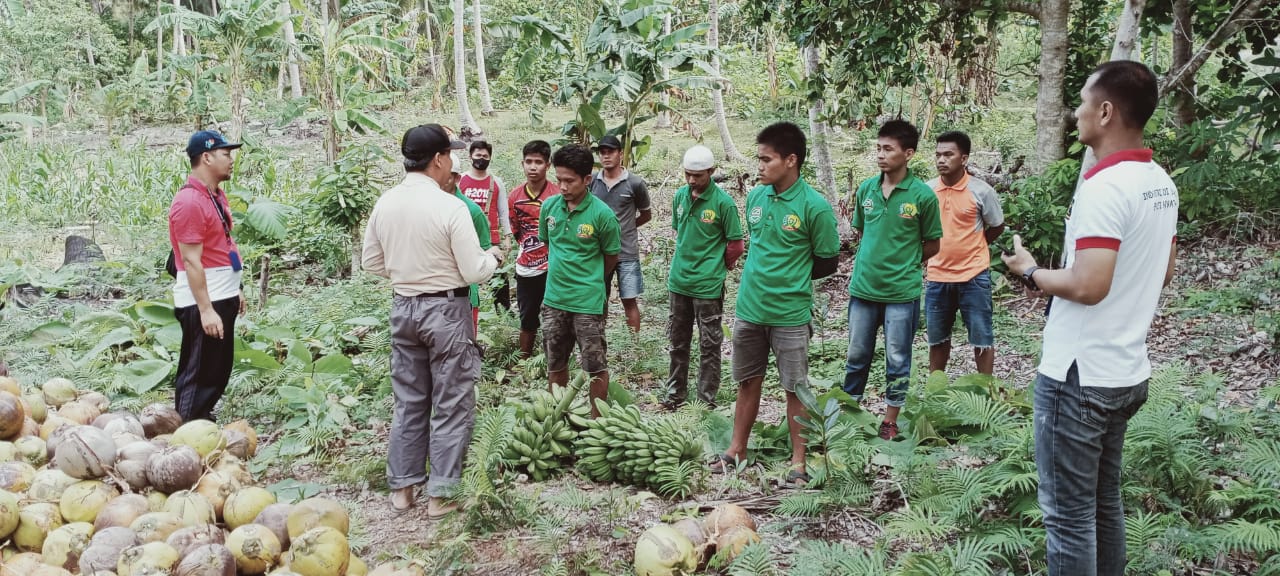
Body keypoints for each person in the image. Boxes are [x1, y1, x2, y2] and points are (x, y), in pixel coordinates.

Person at [1002, 60, 1177, 576]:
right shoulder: (1158, 182)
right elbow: (1162, 271)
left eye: (1081, 101)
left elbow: (1088, 285)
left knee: (1068, 517)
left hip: (1078, 377)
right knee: (1103, 503)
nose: (1074, 112)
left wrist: (1031, 272)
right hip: (1125, 370)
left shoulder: (1106, 187)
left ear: (1105, 111)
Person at [362, 123, 505, 517]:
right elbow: (474, 270)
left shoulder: (386, 202)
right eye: (450, 156)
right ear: (440, 159)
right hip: (445, 311)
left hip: (403, 307)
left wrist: (408, 272)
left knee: (409, 401)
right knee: (452, 400)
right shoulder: (450, 207)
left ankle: (403, 490)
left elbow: (371, 262)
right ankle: (440, 494)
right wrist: (493, 256)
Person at [710, 122, 840, 487]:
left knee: (794, 387)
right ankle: (736, 450)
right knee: (747, 381)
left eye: (767, 159)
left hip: (790, 313)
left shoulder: (814, 207)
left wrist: (790, 277)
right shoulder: (755, 197)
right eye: (759, 158)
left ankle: (798, 464)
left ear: (791, 160)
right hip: (750, 309)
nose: (760, 166)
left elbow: (827, 259)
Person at [843, 120, 943, 441]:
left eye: (888, 149)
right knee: (857, 354)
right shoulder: (866, 190)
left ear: (908, 153)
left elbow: (932, 244)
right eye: (878, 148)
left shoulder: (923, 196)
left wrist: (904, 264)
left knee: (897, 357)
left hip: (902, 293)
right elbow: (862, 232)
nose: (880, 155)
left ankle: (890, 419)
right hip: (863, 289)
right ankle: (850, 412)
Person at [170, 130, 246, 423]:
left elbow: (220, 246)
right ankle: (187, 429)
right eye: (226, 154)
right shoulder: (189, 202)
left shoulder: (213, 195)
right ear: (206, 157)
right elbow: (191, 261)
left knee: (216, 369)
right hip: (205, 299)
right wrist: (205, 310)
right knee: (199, 372)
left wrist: (234, 288)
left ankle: (202, 421)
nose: (231, 160)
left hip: (220, 293)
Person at [540, 144, 622, 417]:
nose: (562, 186)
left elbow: (611, 257)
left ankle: (596, 422)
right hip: (554, 299)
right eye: (559, 179)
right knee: (555, 361)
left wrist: (590, 279)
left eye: (569, 181)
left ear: (587, 180)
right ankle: (557, 417)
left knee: (594, 364)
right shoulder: (550, 208)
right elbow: (548, 244)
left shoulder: (602, 215)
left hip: (587, 302)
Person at [662, 145, 744, 410]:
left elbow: (736, 244)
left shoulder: (723, 203)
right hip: (679, 282)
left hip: (707, 286)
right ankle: (675, 395)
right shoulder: (680, 197)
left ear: (711, 171)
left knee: (709, 345)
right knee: (678, 342)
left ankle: (705, 400)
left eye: (697, 175)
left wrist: (720, 267)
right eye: (687, 174)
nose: (691, 180)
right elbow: (680, 233)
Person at [926, 131, 1005, 375]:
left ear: (964, 158)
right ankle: (935, 393)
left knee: (982, 339)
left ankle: (984, 395)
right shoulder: (926, 191)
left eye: (948, 154)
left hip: (974, 276)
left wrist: (976, 245)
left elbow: (997, 225)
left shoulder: (981, 191)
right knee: (937, 340)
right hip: (937, 276)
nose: (941, 160)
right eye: (938, 154)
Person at [590, 135, 651, 333]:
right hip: (599, 252)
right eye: (602, 153)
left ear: (620, 154)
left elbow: (646, 214)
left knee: (629, 299)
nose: (606, 156)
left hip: (626, 252)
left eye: (610, 152)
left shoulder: (634, 183)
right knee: (599, 298)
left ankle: (633, 345)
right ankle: (600, 340)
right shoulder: (592, 182)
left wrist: (626, 228)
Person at [509, 140, 558, 358]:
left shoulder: (557, 196)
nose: (533, 167)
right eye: (528, 162)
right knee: (527, 316)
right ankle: (524, 359)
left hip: (554, 266)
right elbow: (516, 230)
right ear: (522, 164)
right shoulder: (515, 196)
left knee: (553, 315)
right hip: (526, 267)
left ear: (548, 166)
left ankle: (553, 359)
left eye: (538, 162)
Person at [459, 141, 512, 312]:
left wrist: (508, 236)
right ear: (470, 157)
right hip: (465, 238)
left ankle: (503, 313)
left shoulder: (496, 182)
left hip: (491, 240)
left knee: (499, 280)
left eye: (485, 156)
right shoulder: (461, 180)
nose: (481, 159)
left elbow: (503, 211)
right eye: (478, 155)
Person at [448, 152, 492, 333]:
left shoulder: (472, 211)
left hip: (464, 295)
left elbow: (484, 250)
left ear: (456, 178)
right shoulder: (422, 207)